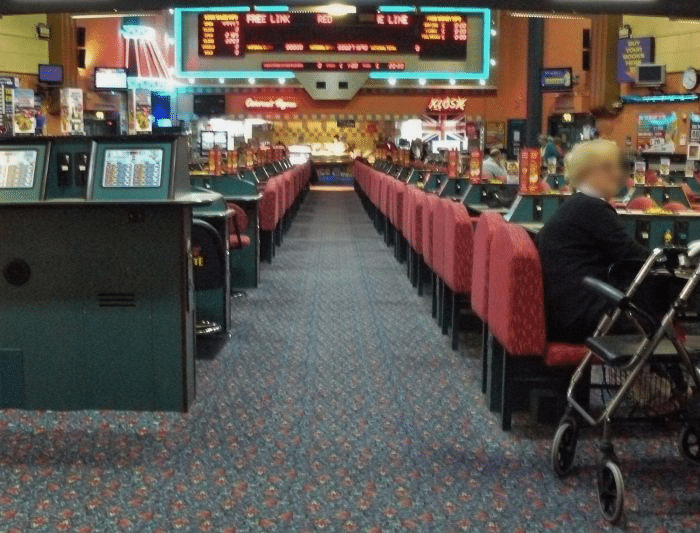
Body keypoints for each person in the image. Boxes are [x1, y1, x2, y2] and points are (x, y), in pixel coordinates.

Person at [537, 139, 648, 344]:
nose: (619, 175)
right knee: (662, 306)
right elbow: (635, 257)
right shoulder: (593, 209)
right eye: (611, 168)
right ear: (593, 172)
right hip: (584, 318)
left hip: (564, 312)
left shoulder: (576, 206)